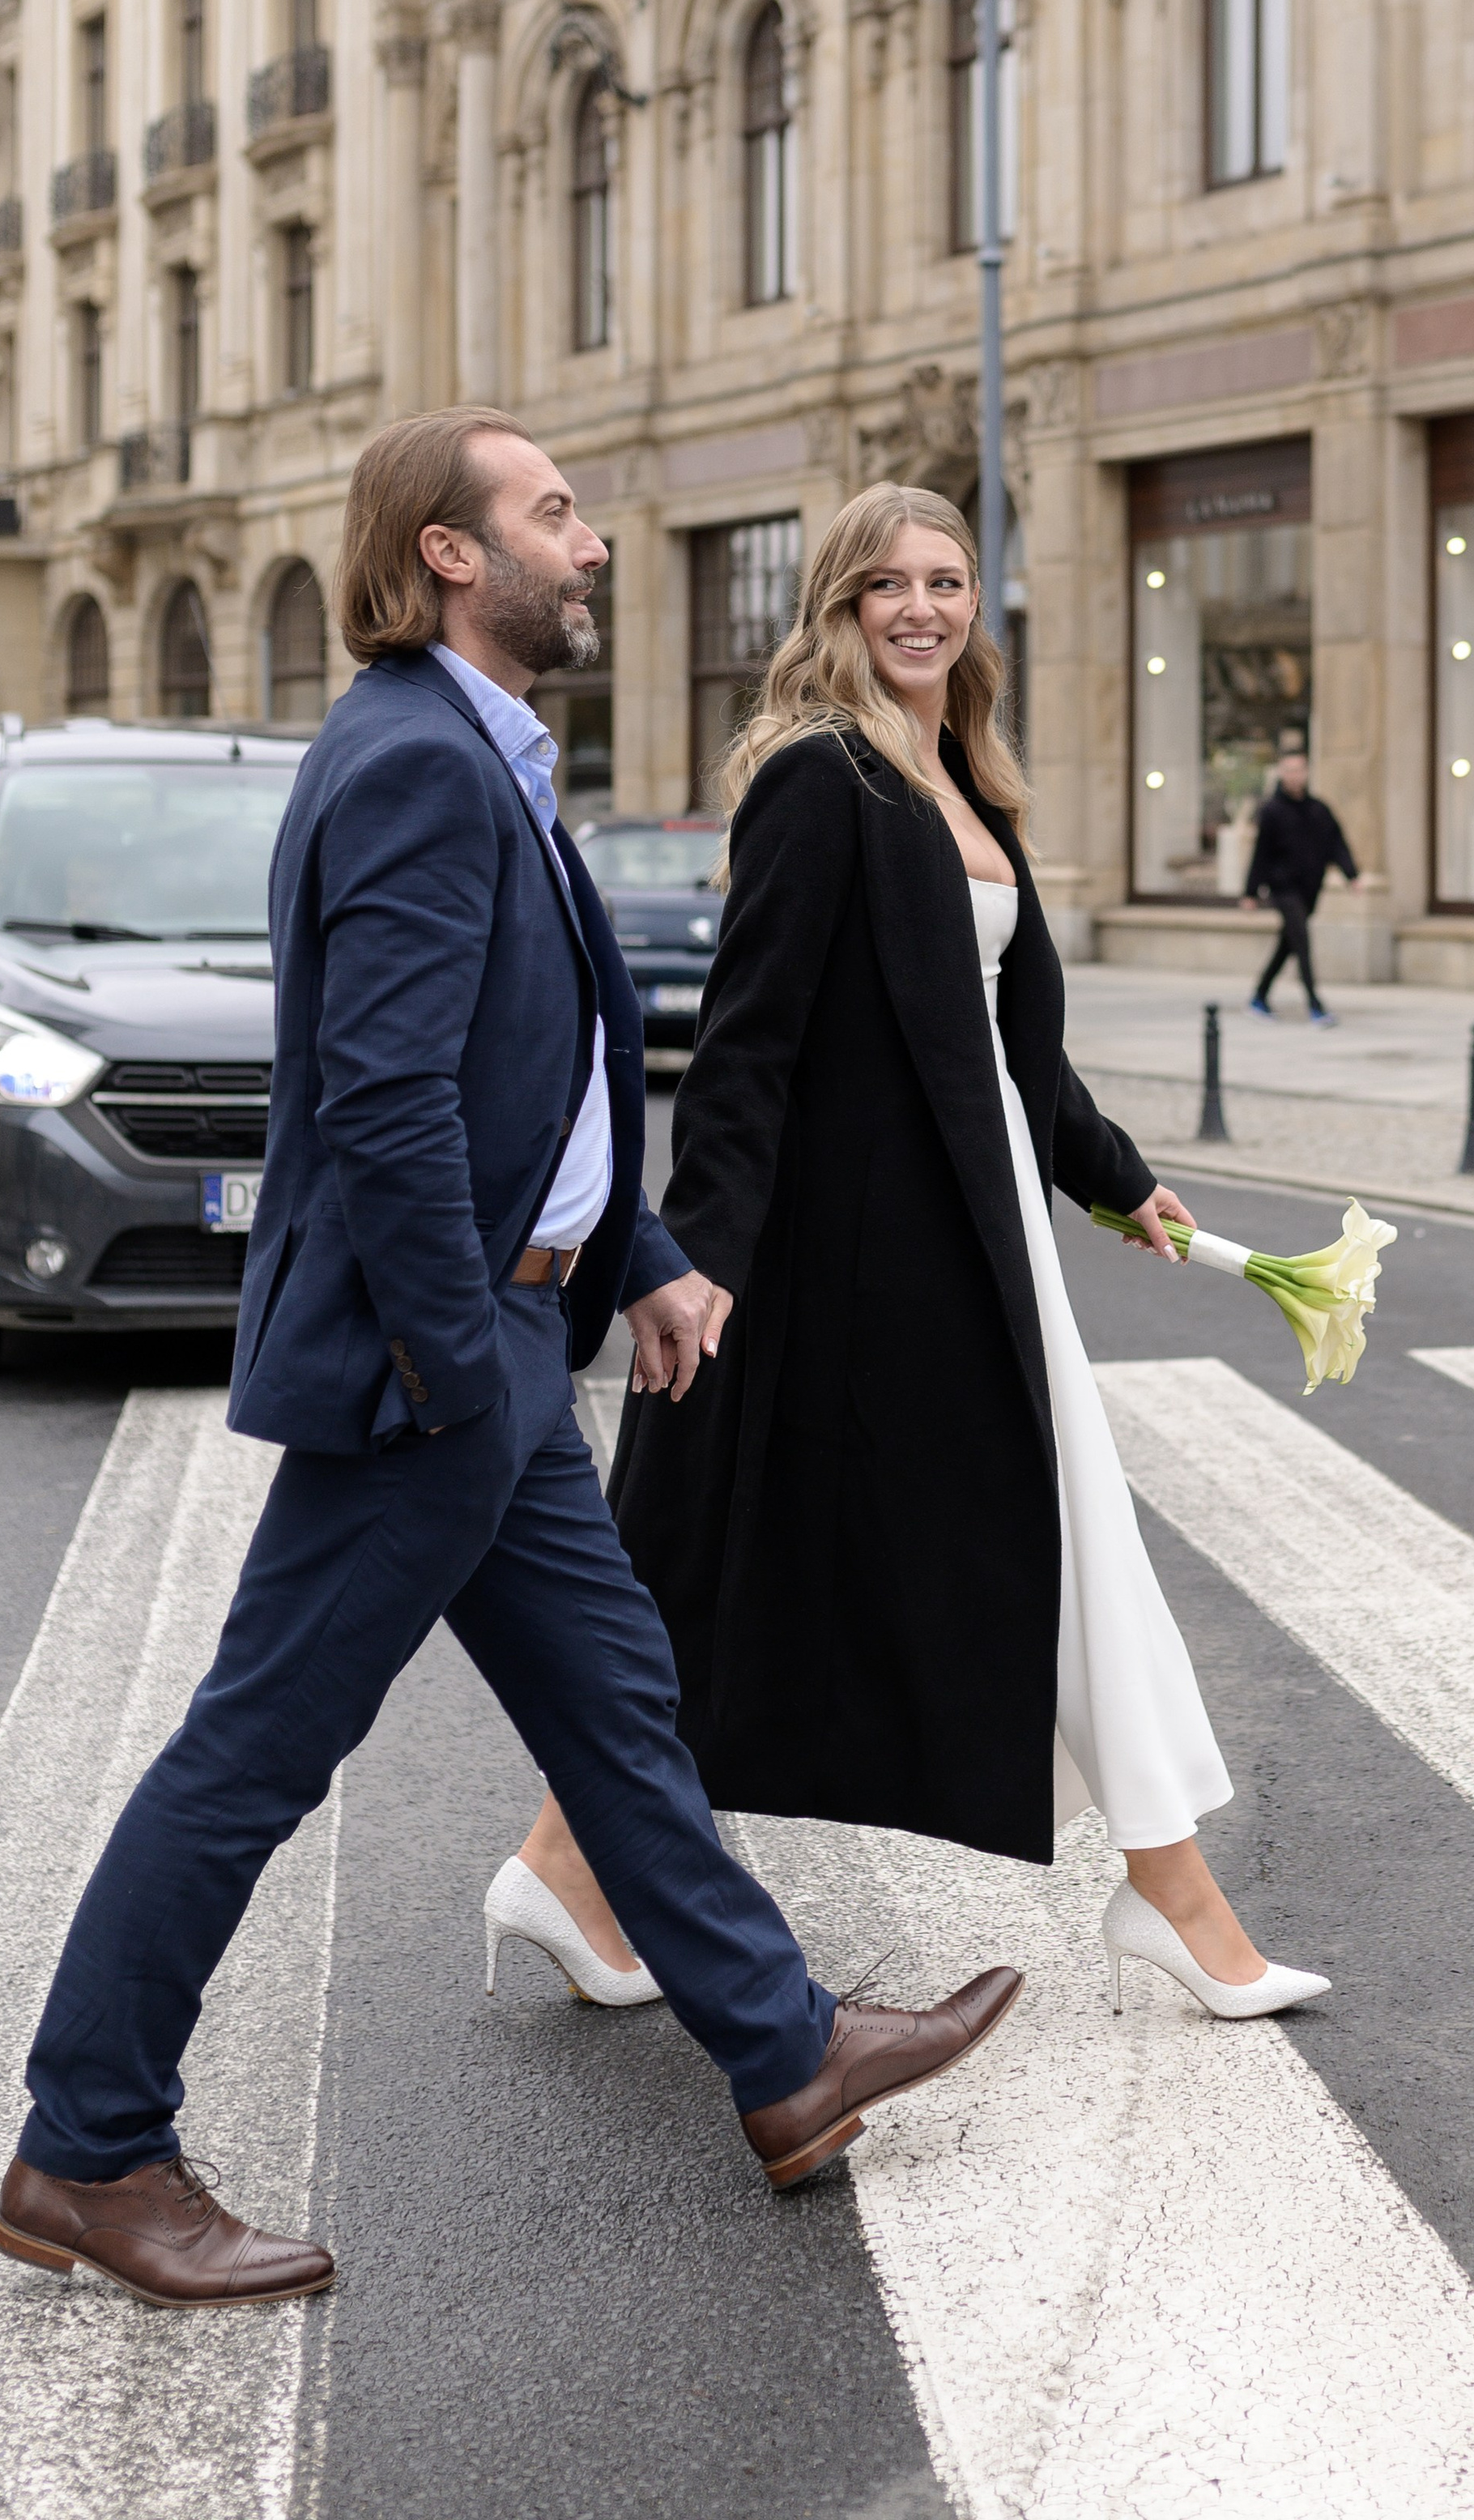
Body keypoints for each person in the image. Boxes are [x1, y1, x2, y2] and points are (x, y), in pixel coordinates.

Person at [0, 415, 1021, 2308]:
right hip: (435, 1363)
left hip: (492, 1343)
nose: (593, 543)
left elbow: (519, 1072)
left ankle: (784, 2056)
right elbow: (380, 1105)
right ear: (450, 554)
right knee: (255, 1746)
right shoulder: (410, 762)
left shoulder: (481, 751)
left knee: (622, 1704)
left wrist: (633, 1253)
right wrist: (463, 1368)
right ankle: (85, 2142)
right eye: (553, 515)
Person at [499, 483, 1326, 2032]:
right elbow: (747, 1048)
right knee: (866, 1541)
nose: (923, 608)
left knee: (855, 1552)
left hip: (985, 1220)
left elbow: (1012, 1051)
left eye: (947, 581)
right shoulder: (820, 782)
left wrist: (1121, 1181)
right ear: (840, 607)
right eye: (887, 584)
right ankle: (1174, 1895)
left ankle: (572, 1859)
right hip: (861, 1252)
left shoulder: (964, 779)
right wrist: (697, 1265)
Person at [1243, 744, 1357, 1026]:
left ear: (1307, 772)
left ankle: (1259, 996)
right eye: (1289, 770)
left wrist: (1352, 875)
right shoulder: (1271, 811)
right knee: (1302, 942)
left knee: (1288, 944)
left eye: (1299, 770)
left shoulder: (1318, 810)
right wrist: (1250, 892)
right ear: (1281, 773)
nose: (1295, 776)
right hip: (1283, 889)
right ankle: (1315, 1005)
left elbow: (1337, 844)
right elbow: (1261, 854)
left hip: (1309, 890)